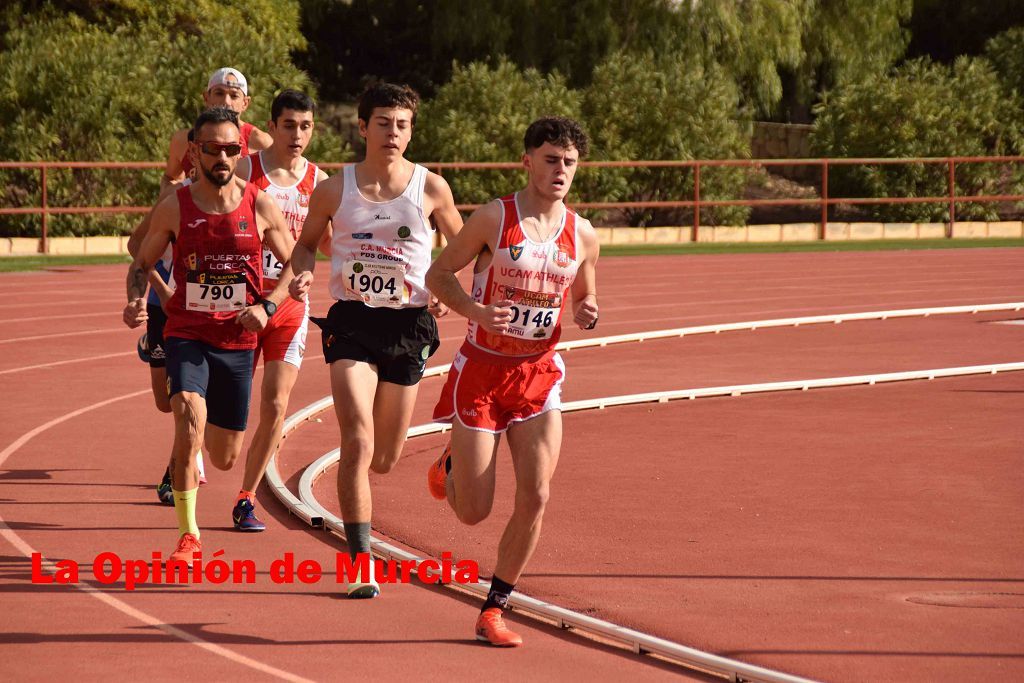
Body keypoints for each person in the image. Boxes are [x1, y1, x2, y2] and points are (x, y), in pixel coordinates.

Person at [424, 116, 600, 646]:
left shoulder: (583, 233)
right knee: (473, 512)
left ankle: (494, 609)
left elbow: (585, 294)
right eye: (551, 159)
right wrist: (477, 311)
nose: (560, 170)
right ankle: (451, 462)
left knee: (538, 494)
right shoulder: (493, 219)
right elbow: (436, 276)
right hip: (481, 372)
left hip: (538, 375)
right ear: (527, 161)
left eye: (569, 162)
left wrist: (589, 308)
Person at [286, 82, 462, 597]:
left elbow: (461, 244)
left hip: (409, 327)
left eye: (402, 124)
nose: (393, 132)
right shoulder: (332, 190)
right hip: (353, 324)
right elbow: (303, 247)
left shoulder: (431, 188)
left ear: (411, 131)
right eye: (383, 123)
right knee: (356, 439)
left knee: (384, 457)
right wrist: (300, 273)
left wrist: (444, 288)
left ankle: (443, 460)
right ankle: (359, 562)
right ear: (363, 127)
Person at [123, 107, 295, 562]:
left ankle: (200, 463)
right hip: (187, 334)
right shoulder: (175, 206)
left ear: (240, 152)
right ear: (194, 151)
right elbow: (140, 263)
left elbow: (297, 264)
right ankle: (189, 535)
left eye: (231, 149)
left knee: (222, 455)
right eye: (213, 148)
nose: (222, 156)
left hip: (238, 342)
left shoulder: (258, 202)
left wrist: (268, 305)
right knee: (187, 415)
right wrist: (140, 300)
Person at [230, 89, 330, 532]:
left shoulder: (320, 183)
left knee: (275, 403)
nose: (297, 134)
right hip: (239, 306)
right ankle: (187, 457)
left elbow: (326, 244)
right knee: (223, 409)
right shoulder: (245, 171)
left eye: (305, 126)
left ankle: (246, 497)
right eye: (288, 125)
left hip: (288, 306)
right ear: (271, 127)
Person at [161, 68, 273, 191]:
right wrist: (170, 201)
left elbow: (281, 181)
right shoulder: (183, 140)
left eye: (234, 95)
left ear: (245, 103)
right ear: (206, 98)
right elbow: (171, 178)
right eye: (219, 93)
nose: (226, 101)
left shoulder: (261, 142)